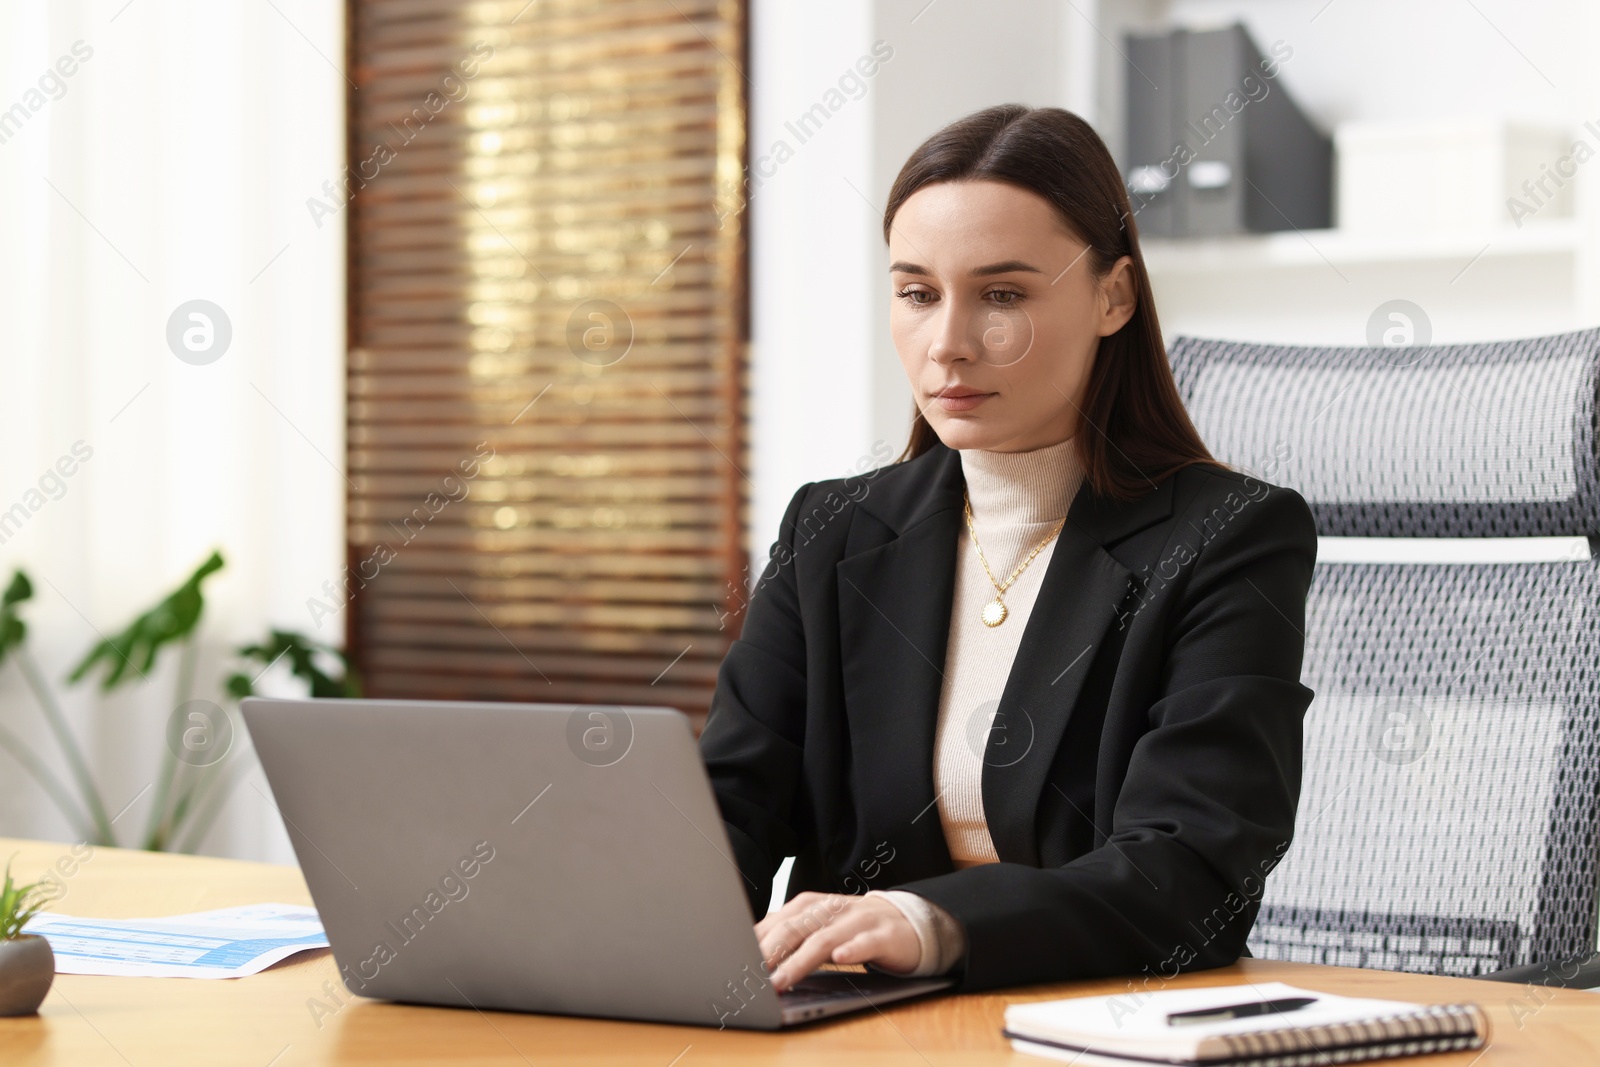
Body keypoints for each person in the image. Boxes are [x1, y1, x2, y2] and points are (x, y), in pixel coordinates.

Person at [699, 104, 1316, 993]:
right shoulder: (831, 532)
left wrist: (929, 922)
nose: (947, 343)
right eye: (916, 293)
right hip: (865, 1031)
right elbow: (730, 805)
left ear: (1114, 297)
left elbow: (1190, 876)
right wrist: (650, 931)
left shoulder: (1229, 538)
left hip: (1094, 1025)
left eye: (1002, 295)